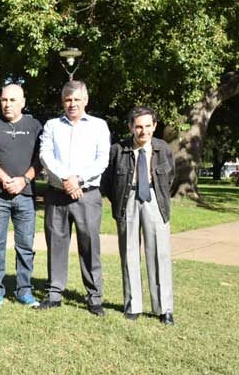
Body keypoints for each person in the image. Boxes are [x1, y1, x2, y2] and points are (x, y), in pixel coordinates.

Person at [36, 80, 110, 316]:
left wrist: (78, 179)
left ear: (85, 101)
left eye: (77, 99)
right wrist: (67, 178)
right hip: (57, 194)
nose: (72, 104)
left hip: (87, 195)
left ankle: (94, 297)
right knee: (56, 244)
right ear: (62, 102)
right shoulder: (52, 125)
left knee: (90, 246)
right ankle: (55, 293)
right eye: (68, 100)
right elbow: (45, 155)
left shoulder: (99, 126)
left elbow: (102, 160)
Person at [101, 106, 175, 325]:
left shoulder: (163, 148)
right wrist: (119, 201)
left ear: (155, 126)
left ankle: (164, 308)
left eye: (148, 126)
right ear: (130, 127)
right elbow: (108, 181)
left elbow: (170, 176)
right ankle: (133, 305)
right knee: (129, 252)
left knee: (159, 254)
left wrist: (156, 193)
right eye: (138, 126)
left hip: (155, 201)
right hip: (128, 201)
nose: (143, 131)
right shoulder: (118, 149)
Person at [0, 84, 43, 309]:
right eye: (4, 100)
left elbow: (40, 159)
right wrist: (5, 179)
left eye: (13, 100)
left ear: (23, 102)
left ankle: (24, 290)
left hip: (25, 195)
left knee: (25, 245)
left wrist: (24, 180)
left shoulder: (34, 126)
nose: (8, 104)